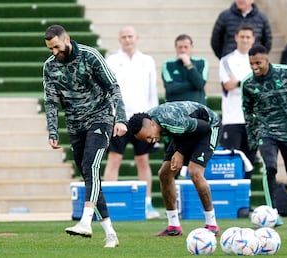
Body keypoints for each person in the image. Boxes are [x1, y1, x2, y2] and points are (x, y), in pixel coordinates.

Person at [43, 24, 128, 248]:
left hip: (100, 119)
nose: (55, 52)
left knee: (91, 165)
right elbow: (51, 102)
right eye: (50, 49)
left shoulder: (90, 56)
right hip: (75, 126)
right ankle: (110, 233)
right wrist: (52, 130)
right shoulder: (50, 67)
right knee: (90, 177)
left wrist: (120, 118)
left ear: (67, 39)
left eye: (57, 47)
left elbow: (113, 87)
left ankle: (85, 220)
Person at [241, 44, 287, 229]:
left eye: (258, 63)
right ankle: (272, 214)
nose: (254, 67)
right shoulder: (248, 83)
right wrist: (252, 139)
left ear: (267, 59)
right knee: (271, 168)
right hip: (266, 133)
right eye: (251, 64)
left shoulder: (286, 73)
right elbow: (247, 113)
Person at [128, 101, 221, 236]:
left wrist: (180, 152)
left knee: (195, 172)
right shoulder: (149, 120)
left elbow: (203, 128)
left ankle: (212, 224)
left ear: (153, 124)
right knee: (164, 174)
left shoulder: (171, 121)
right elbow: (179, 134)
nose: (150, 141)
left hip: (209, 128)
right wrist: (178, 152)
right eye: (145, 140)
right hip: (184, 132)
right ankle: (173, 226)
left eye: (149, 137)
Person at [103, 25, 160, 219]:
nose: (128, 40)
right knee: (114, 159)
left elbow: (152, 92)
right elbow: (107, 90)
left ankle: (147, 204)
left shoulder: (147, 61)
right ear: (120, 39)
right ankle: (108, 204)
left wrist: (153, 120)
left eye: (131, 36)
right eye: (124, 37)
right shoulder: (111, 60)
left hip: (143, 120)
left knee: (143, 161)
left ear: (137, 38)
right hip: (119, 119)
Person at [219, 24, 256, 178]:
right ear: (236, 38)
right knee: (230, 166)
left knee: (249, 166)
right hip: (232, 120)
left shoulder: (258, 60)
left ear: (253, 39)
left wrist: (239, 82)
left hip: (252, 120)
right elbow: (228, 85)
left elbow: (259, 87)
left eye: (248, 37)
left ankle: (244, 201)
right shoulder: (227, 60)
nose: (245, 40)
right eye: (242, 37)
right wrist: (248, 82)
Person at [162, 34, 208, 105]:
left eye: (186, 47)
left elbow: (200, 84)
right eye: (180, 47)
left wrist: (189, 65)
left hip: (196, 108)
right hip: (174, 108)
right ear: (176, 48)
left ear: (191, 47)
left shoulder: (202, 62)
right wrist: (193, 85)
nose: (183, 50)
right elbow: (170, 88)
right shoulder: (167, 64)